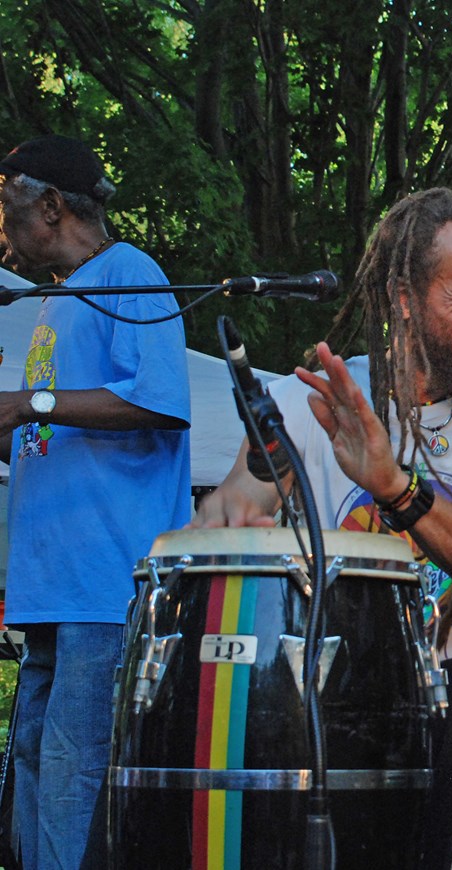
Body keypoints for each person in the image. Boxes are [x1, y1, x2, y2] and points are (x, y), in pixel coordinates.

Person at [193, 187, 452, 867]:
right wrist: (230, 528)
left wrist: (396, 488)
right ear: (403, 296)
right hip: (328, 691)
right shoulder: (309, 401)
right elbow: (232, 509)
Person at [0, 134, 191, 867]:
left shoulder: (129, 273)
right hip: (53, 588)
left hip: (105, 585)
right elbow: (46, 432)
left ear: (50, 205)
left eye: (6, 202)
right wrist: (18, 418)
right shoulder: (60, 299)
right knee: (39, 763)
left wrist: (28, 402)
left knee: (75, 773)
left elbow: (161, 404)